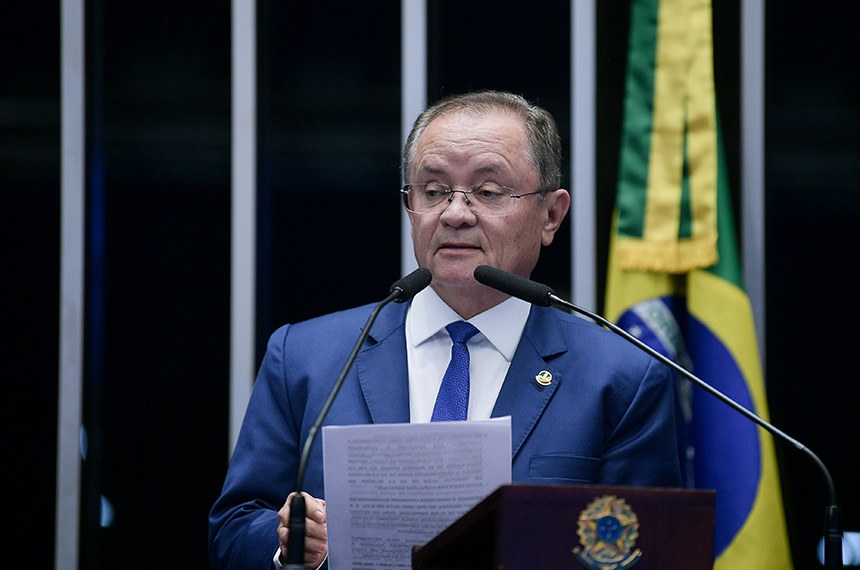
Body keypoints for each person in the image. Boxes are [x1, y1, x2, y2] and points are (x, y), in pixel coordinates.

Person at [208, 90, 681, 569]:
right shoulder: (306, 358)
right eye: (433, 192)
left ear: (551, 215)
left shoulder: (621, 377)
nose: (455, 213)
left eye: (488, 192)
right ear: (410, 206)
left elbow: (648, 552)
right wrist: (288, 543)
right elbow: (234, 528)